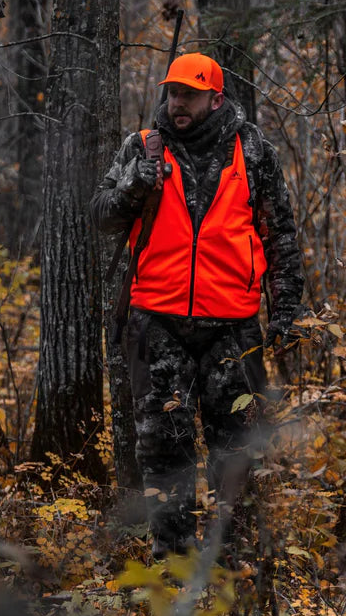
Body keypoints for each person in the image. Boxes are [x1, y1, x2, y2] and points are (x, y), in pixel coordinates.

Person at [91, 52, 303, 559]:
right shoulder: (143, 148)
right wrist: (133, 187)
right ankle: (173, 561)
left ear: (215, 97)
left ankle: (233, 561)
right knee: (164, 448)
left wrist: (287, 307)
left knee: (236, 448)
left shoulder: (252, 150)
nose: (178, 102)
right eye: (172, 92)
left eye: (189, 93)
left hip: (232, 327)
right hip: (156, 322)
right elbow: (100, 215)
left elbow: (280, 233)